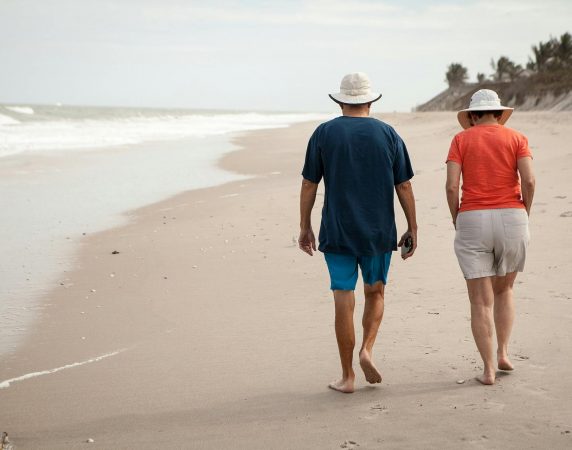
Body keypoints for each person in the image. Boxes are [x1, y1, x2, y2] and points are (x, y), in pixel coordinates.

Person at [298, 72, 417, 393]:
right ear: (370, 100)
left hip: (337, 230)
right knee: (375, 293)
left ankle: (348, 376)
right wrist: (413, 227)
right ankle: (367, 349)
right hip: (378, 232)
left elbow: (310, 182)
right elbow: (403, 184)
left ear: (340, 101)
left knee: (342, 296)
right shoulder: (388, 134)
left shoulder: (324, 133)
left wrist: (304, 225)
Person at [445, 89, 535, 385]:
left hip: (472, 217)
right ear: (499, 114)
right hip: (512, 215)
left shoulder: (461, 140)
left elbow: (451, 186)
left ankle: (487, 369)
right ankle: (504, 353)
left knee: (480, 301)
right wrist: (525, 212)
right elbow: (529, 180)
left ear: (472, 116)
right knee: (504, 290)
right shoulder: (517, 138)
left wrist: (458, 218)